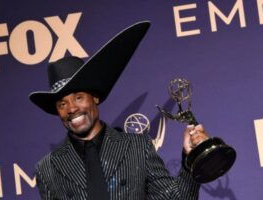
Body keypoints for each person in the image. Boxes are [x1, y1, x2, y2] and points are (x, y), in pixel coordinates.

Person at [29, 22, 209, 200]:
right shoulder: (47, 169)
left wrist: (191, 160)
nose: (72, 109)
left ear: (95, 97)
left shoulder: (137, 147)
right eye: (62, 104)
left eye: (78, 97)